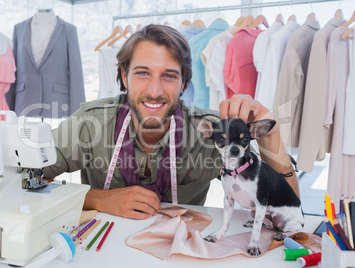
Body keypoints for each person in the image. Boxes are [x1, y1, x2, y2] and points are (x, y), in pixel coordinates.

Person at [44, 24, 298, 220]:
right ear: (124, 76)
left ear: (184, 83)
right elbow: (23, 181)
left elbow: (287, 209)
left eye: (168, 75)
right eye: (142, 73)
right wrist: (97, 199)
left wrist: (269, 136)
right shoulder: (89, 124)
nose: (154, 91)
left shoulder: (213, 134)